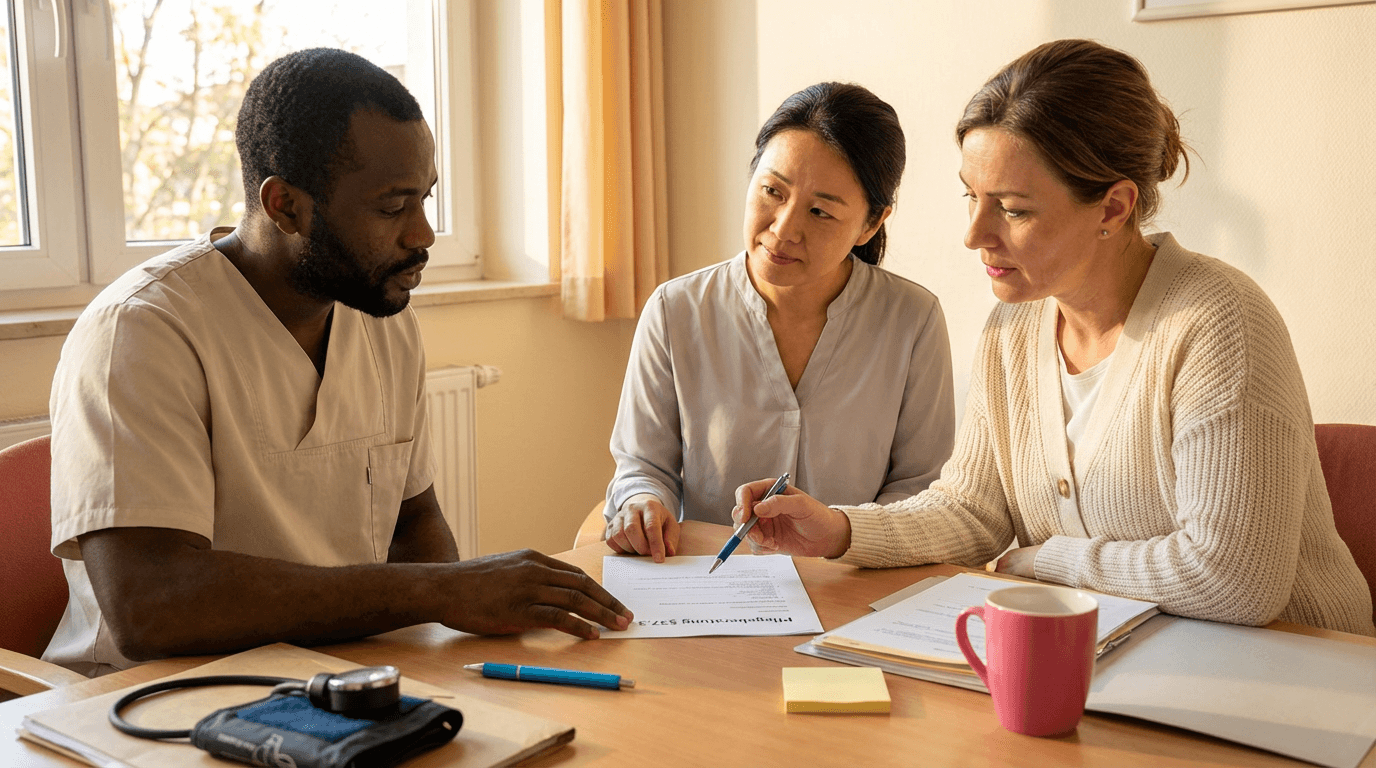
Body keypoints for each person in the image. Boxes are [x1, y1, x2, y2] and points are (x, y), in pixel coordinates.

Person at [733, 40, 1375, 636]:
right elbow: (973, 509)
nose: (975, 233)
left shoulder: (1218, 323)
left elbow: (1236, 582)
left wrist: (1050, 562)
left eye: (1012, 209)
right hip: (1126, 665)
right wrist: (838, 529)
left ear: (1114, 208)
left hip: (1296, 680)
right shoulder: (1013, 328)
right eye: (972, 198)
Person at [44, 48, 632, 676]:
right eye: (392, 207)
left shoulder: (383, 320)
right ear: (285, 206)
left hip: (337, 681)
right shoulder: (142, 331)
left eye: (426, 200)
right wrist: (445, 591)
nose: (424, 234)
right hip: (152, 702)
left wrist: (455, 635)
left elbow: (414, 523)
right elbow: (151, 608)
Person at [604, 82, 956, 562]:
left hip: (854, 588)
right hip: (711, 585)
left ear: (871, 223)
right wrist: (641, 504)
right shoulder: (676, 310)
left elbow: (920, 488)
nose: (783, 229)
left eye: (820, 211)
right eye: (772, 190)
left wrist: (849, 540)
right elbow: (643, 466)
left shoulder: (912, 320)